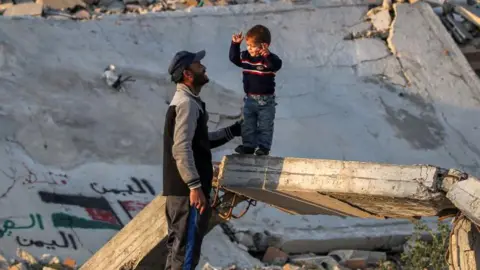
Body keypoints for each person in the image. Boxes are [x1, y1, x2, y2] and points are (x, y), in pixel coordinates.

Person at [163, 49, 242, 270]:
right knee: (185, 252)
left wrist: (233, 131)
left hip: (181, 192)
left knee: (177, 249)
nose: (204, 68)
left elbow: (200, 142)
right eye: (199, 65)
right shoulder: (186, 104)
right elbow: (181, 148)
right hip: (187, 194)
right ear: (187, 74)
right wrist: (195, 186)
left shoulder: (188, 101)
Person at [229, 24, 283, 156]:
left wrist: (267, 56)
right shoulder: (246, 57)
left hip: (266, 102)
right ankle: (248, 146)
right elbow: (233, 59)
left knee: (265, 125)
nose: (249, 49)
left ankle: (263, 148)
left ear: (264, 46)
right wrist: (235, 45)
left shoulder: (269, 60)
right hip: (250, 99)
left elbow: (276, 65)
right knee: (248, 124)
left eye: (253, 46)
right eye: (248, 45)